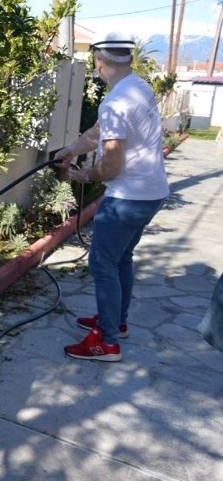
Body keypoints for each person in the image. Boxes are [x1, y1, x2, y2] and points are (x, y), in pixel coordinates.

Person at [55, 32, 169, 362]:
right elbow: (97, 134)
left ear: (99, 64)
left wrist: (85, 175)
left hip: (128, 198)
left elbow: (112, 163)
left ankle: (105, 342)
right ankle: (116, 322)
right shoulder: (139, 87)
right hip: (151, 194)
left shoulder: (115, 103)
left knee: (102, 262)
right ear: (129, 61)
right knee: (121, 259)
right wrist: (71, 149)